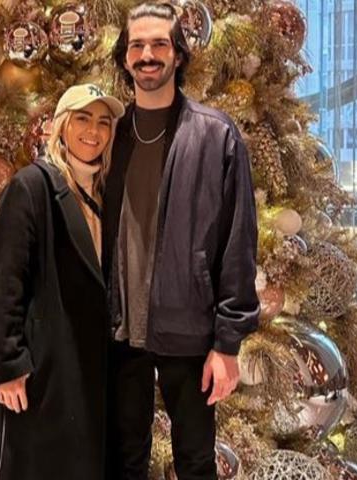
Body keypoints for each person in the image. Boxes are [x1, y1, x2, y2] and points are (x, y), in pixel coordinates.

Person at [103, 4, 261, 479]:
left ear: (178, 55)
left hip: (189, 330)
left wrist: (228, 342)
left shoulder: (216, 135)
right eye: (136, 45)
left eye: (158, 44)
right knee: (123, 460)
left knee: (194, 461)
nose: (147, 55)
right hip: (118, 334)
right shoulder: (107, 135)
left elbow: (238, 240)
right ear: (124, 58)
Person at [0, 84, 125, 480]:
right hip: (40, 369)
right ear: (62, 126)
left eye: (103, 122)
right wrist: (9, 363)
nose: (93, 132)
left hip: (85, 369)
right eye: (82, 118)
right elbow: (4, 281)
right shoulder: (31, 187)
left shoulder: (102, 192)